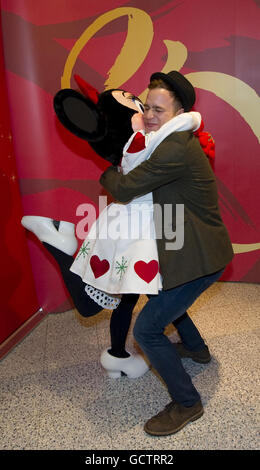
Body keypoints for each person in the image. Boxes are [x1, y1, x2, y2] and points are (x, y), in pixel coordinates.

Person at [100, 70, 234, 436]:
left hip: (200, 258)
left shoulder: (174, 147)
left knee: (146, 329)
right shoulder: (167, 140)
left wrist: (108, 170)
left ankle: (188, 403)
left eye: (159, 110)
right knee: (158, 292)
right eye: (146, 107)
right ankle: (196, 348)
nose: (148, 115)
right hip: (192, 247)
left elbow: (125, 188)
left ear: (178, 113)